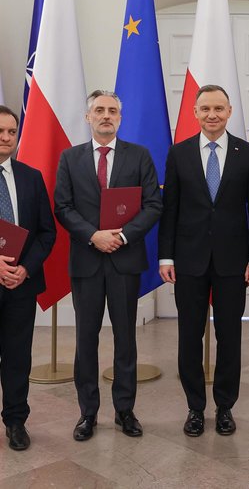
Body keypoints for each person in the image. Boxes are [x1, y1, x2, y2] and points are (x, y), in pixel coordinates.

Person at [158, 84, 249, 437]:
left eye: (219, 108)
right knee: (189, 336)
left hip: (233, 262)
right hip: (187, 260)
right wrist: (166, 255)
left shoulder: (248, 154)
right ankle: (194, 407)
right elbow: (170, 209)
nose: (212, 115)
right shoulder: (179, 153)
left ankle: (224, 407)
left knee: (229, 335)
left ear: (230, 111)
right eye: (205, 108)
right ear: (194, 112)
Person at [54, 90, 162, 441]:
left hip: (124, 260)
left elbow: (153, 204)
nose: (106, 116)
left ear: (120, 117)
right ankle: (87, 414)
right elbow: (63, 207)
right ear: (88, 117)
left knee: (126, 338)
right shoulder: (70, 158)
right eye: (99, 110)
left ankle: (125, 411)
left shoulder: (139, 156)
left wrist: (123, 236)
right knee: (86, 339)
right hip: (86, 261)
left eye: (112, 111)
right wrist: (94, 236)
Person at [0, 105, 56, 450]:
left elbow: (46, 233)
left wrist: (25, 268)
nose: (6, 138)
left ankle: (16, 421)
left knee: (18, 356)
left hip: (21, 284)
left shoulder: (30, 176)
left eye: (11, 132)